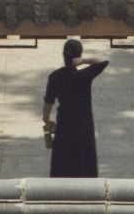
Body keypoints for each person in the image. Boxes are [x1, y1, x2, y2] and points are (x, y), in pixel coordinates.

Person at [44, 38, 107, 177]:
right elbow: (103, 60)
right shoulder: (84, 76)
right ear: (78, 55)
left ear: (63, 54)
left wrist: (47, 121)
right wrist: (84, 61)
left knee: (63, 157)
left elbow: (48, 102)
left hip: (65, 122)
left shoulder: (54, 77)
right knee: (83, 157)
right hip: (83, 123)